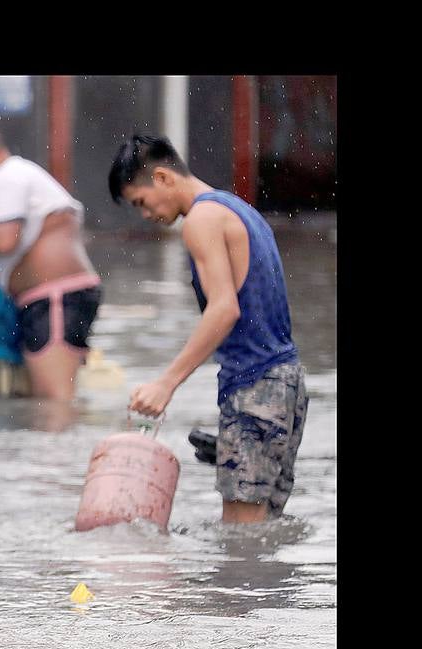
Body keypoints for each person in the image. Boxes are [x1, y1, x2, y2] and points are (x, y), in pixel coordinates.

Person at [108, 134, 307, 523]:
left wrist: (165, 383)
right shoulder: (238, 209)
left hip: (254, 385)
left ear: (163, 178)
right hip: (287, 383)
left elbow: (223, 310)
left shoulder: (200, 220)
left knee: (240, 543)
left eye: (141, 203)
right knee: (264, 526)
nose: (146, 215)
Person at [0, 114, 101, 402]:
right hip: (61, 297)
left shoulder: (5, 178)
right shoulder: (23, 174)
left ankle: (63, 448)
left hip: (55, 300)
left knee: (55, 402)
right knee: (48, 399)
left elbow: (3, 241)